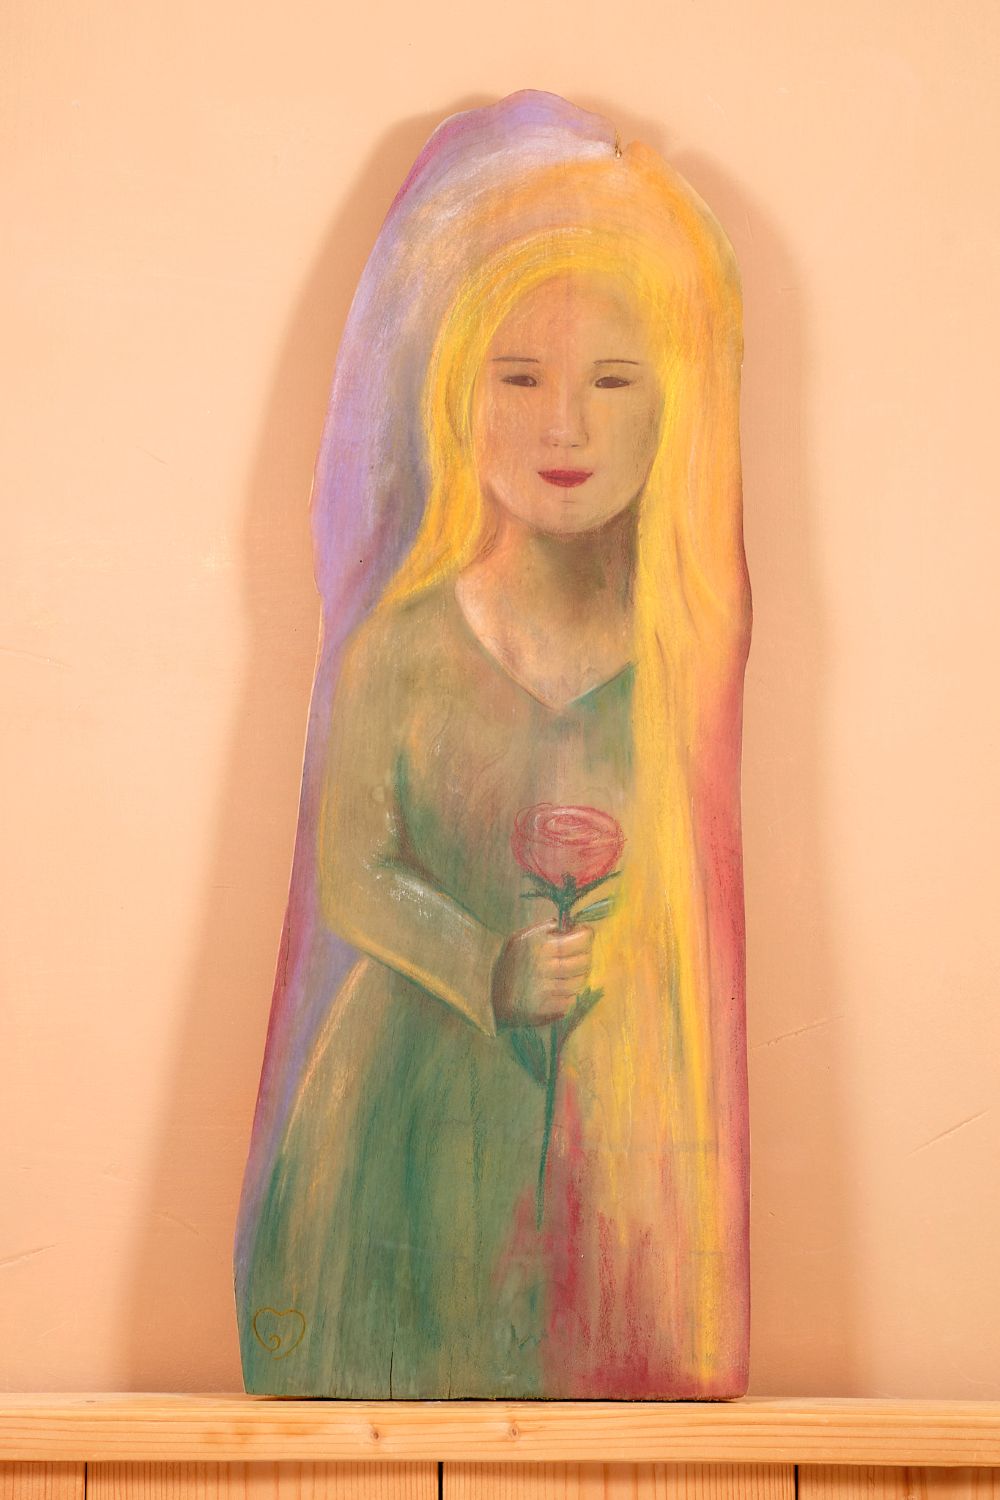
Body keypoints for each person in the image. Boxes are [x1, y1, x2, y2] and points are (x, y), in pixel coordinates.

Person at [235, 92, 751, 1400]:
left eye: (611, 382)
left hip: (605, 1158)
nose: (563, 426)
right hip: (403, 1133)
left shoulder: (675, 669)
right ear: (458, 401)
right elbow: (355, 874)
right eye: (520, 378)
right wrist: (486, 964)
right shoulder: (402, 648)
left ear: (671, 410)